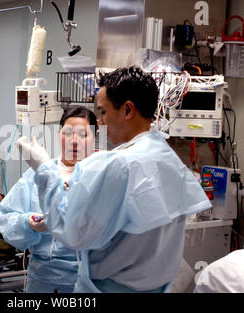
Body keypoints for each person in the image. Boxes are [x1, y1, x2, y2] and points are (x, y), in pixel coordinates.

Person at [17, 67, 212, 293]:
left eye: (103, 113)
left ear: (128, 110)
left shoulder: (118, 166)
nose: (99, 122)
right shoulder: (169, 159)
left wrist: (44, 170)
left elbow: (74, 234)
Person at [0, 106, 98, 293]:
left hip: (89, 280)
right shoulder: (37, 174)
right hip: (43, 279)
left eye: (83, 134)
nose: (74, 141)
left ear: (95, 136)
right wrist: (29, 223)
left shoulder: (101, 176)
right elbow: (7, 219)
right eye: (67, 133)